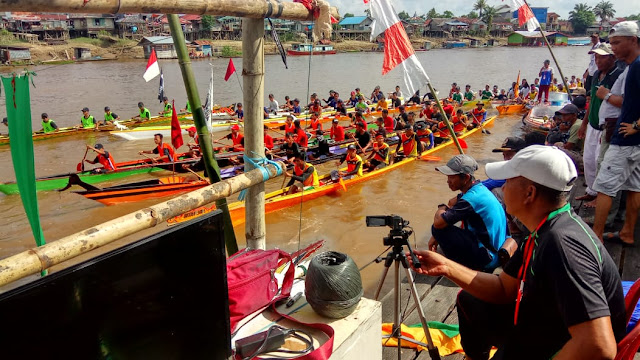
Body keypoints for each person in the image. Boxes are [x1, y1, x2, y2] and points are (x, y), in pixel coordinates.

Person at [412, 145, 624, 359]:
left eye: (508, 181)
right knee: (469, 300)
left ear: (529, 193)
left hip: (558, 344)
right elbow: (504, 287)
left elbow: (598, 346)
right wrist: (446, 266)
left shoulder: (562, 244)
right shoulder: (542, 230)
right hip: (544, 322)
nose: (503, 189)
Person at [592, 21, 640, 245]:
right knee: (633, 187)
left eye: (617, 43)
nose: (613, 48)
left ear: (633, 40)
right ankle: (627, 232)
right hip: (634, 142)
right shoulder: (632, 66)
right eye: (611, 43)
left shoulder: (638, 66)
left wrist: (636, 126)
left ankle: (596, 237)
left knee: (603, 187)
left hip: (626, 141)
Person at [430, 154, 507, 271]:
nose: (448, 181)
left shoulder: (471, 199)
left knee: (437, 228)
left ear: (465, 178)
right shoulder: (478, 189)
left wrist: (441, 207)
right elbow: (452, 202)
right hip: (494, 251)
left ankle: (460, 266)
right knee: (444, 224)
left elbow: (438, 223)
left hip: (488, 258)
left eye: (452, 177)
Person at [577, 42, 623, 203]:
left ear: (612, 57)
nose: (597, 60)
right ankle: (591, 190)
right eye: (596, 57)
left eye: (601, 57)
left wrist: (608, 95)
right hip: (592, 123)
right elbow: (592, 102)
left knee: (600, 162)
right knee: (588, 160)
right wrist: (584, 123)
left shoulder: (618, 75)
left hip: (607, 126)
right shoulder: (597, 74)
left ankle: (600, 195)